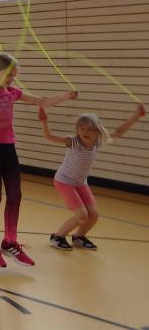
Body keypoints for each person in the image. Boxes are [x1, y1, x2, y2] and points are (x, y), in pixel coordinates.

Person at [0, 53, 77, 267]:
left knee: (15, 194)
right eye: (8, 77)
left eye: (14, 77)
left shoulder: (13, 92)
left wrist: (67, 96)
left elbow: (41, 101)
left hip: (8, 146)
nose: (11, 81)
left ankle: (10, 241)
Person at [39, 104, 144, 251]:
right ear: (77, 130)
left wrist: (136, 115)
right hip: (64, 181)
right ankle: (58, 236)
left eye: (89, 129)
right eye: (81, 128)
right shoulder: (73, 141)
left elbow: (119, 132)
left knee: (93, 215)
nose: (84, 132)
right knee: (81, 215)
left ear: (98, 131)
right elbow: (49, 136)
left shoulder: (97, 142)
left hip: (80, 183)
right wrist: (44, 122)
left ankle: (79, 237)